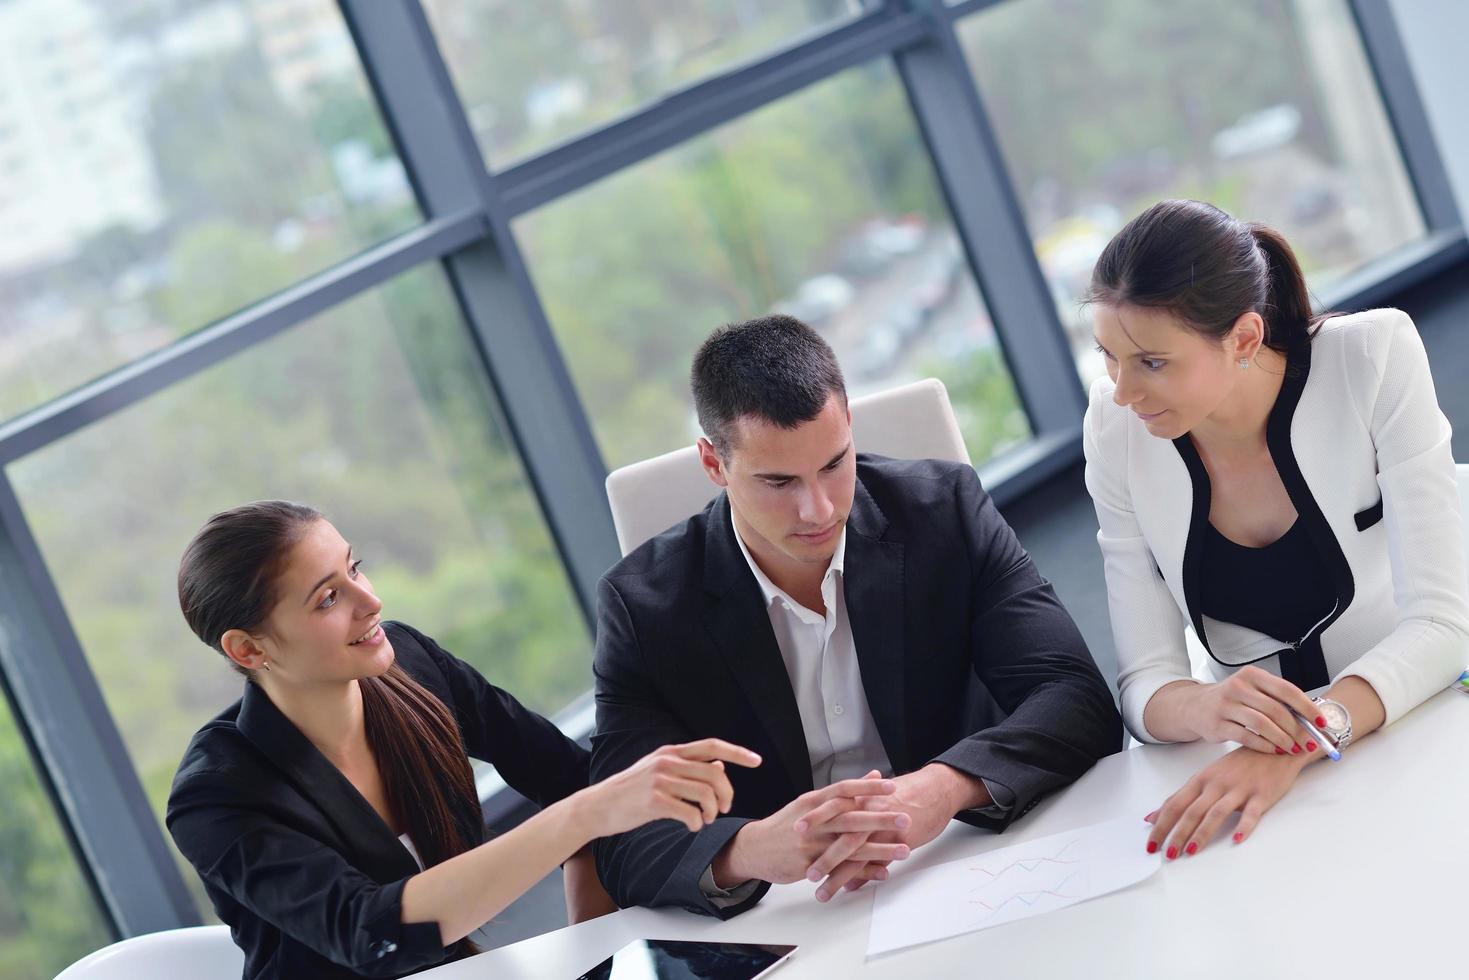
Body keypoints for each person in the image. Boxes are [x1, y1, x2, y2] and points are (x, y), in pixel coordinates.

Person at [590, 314, 1122, 918]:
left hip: (967, 859)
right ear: (714, 464)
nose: (817, 508)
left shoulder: (944, 509)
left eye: (834, 464)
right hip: (792, 913)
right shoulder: (642, 607)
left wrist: (939, 790)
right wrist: (753, 848)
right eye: (779, 481)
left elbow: (1075, 697)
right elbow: (620, 838)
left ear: (849, 423)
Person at [166, 501, 759, 979]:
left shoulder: (412, 664)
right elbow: (373, 936)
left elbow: (570, 780)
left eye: (354, 568)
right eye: (327, 597)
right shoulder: (216, 796)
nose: (369, 601)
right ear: (249, 649)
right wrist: (587, 816)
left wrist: (588, 953)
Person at [1082, 199, 1469, 860]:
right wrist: (1202, 709)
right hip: (1265, 778)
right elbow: (1143, 681)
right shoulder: (1115, 429)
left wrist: (1308, 736)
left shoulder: (1370, 356)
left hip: (1420, 722)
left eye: (1150, 362)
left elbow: (1445, 625)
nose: (1122, 390)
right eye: (1107, 357)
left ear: (1242, 338)